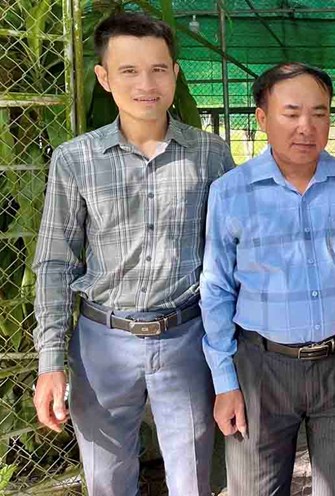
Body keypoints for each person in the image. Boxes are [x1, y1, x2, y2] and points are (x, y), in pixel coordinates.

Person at [31, 12, 235, 495]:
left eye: (159, 69)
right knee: (107, 479)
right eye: (128, 70)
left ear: (175, 73)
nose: (146, 83)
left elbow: (228, 258)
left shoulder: (210, 155)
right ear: (103, 77)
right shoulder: (75, 159)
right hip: (101, 342)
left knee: (192, 478)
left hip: (186, 338)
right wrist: (50, 362)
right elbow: (56, 262)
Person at [200, 62, 335, 496]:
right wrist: (225, 382)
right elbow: (216, 288)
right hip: (259, 370)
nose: (306, 126)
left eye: (320, 113)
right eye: (291, 113)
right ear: (263, 118)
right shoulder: (231, 192)